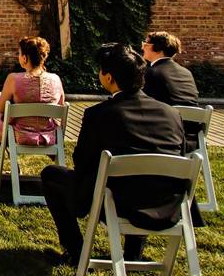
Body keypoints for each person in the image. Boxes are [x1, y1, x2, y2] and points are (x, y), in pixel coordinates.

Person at [40, 43, 187, 266]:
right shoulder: (172, 113)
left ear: (109, 78)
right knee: (142, 179)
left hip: (118, 203)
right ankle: (133, 253)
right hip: (167, 204)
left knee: (52, 175)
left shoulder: (99, 115)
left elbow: (82, 163)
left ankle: (76, 251)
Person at [0, 36, 64, 157]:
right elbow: (60, 105)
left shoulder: (13, 79)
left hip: (20, 136)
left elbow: (2, 109)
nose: (18, 56)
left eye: (19, 54)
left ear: (24, 58)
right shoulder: (56, 79)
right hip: (50, 136)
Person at [141, 30, 205, 226]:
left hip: (168, 136)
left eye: (146, 43)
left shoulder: (151, 73)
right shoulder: (185, 72)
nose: (143, 45)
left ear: (157, 49)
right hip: (193, 136)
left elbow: (144, 105)